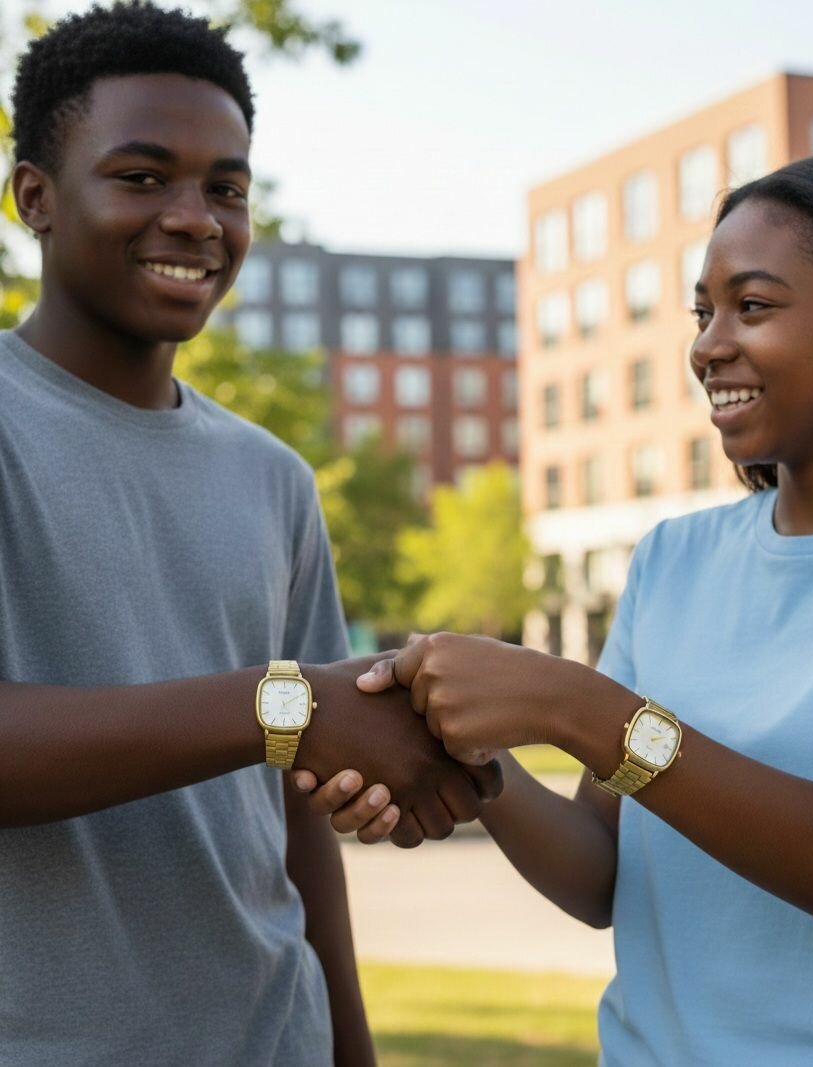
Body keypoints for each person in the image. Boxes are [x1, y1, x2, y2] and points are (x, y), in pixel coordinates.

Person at [0, 4, 500, 1065]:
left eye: (226, 189)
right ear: (32, 196)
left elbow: (297, 802)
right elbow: (291, 717)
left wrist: (349, 1046)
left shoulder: (275, 477)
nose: (196, 219)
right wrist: (285, 703)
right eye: (143, 177)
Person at [301, 151, 813, 1064]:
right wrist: (470, 756)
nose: (707, 347)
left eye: (753, 306)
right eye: (703, 313)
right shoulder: (674, 560)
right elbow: (602, 870)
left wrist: (575, 707)